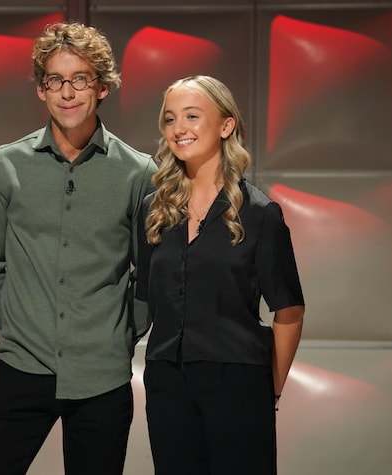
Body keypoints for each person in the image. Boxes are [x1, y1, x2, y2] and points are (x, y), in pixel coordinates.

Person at [0, 22, 158, 475]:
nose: (67, 92)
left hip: (103, 377)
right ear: (41, 90)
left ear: (102, 87)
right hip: (22, 368)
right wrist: (20, 327)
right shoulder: (5, 165)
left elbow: (148, 275)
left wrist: (121, 336)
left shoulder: (138, 173)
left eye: (80, 79)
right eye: (55, 80)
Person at [136, 75, 305, 474]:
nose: (179, 129)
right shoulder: (153, 211)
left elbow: (290, 310)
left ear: (226, 126)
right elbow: (145, 298)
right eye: (170, 118)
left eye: (192, 116)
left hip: (239, 381)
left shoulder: (261, 214)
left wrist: (271, 389)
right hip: (166, 381)